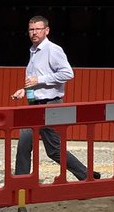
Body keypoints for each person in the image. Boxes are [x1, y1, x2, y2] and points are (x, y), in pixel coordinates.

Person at [12, 16, 99, 181]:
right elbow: (33, 79)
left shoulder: (53, 50)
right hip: (34, 105)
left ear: (47, 30)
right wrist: (24, 91)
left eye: (38, 29)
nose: (34, 33)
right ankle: (20, 182)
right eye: (31, 29)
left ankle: (87, 176)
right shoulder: (33, 50)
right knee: (24, 143)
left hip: (49, 105)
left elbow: (68, 73)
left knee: (54, 150)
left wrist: (40, 80)